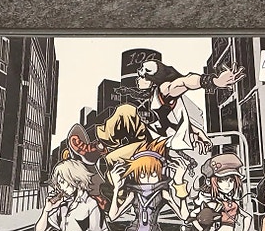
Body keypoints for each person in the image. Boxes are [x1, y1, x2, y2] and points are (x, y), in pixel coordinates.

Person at [70, 61, 245, 169]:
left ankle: (98, 151)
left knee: (125, 114)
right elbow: (178, 122)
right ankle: (97, 150)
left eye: (142, 76)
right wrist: (197, 133)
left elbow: (185, 82)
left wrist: (213, 81)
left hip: (159, 146)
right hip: (151, 139)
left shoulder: (165, 90)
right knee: (128, 114)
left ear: (152, 80)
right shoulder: (152, 95)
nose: (138, 79)